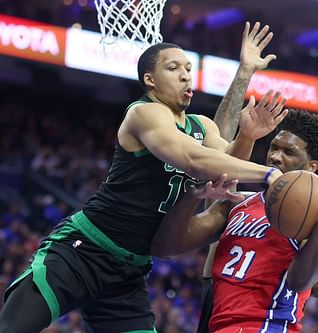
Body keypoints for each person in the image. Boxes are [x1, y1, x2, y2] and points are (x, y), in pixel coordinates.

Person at [0, 22, 286, 333]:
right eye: (173, 67)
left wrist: (247, 131)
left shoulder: (201, 125)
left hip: (129, 271)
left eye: (188, 68)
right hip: (83, 251)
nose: (185, 74)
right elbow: (193, 158)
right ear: (149, 80)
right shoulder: (144, 113)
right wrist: (270, 174)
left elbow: (226, 165)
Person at [151, 109, 318, 333]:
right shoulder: (237, 203)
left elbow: (300, 282)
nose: (276, 157)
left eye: (288, 151)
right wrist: (193, 195)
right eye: (274, 147)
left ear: (311, 165)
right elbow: (166, 248)